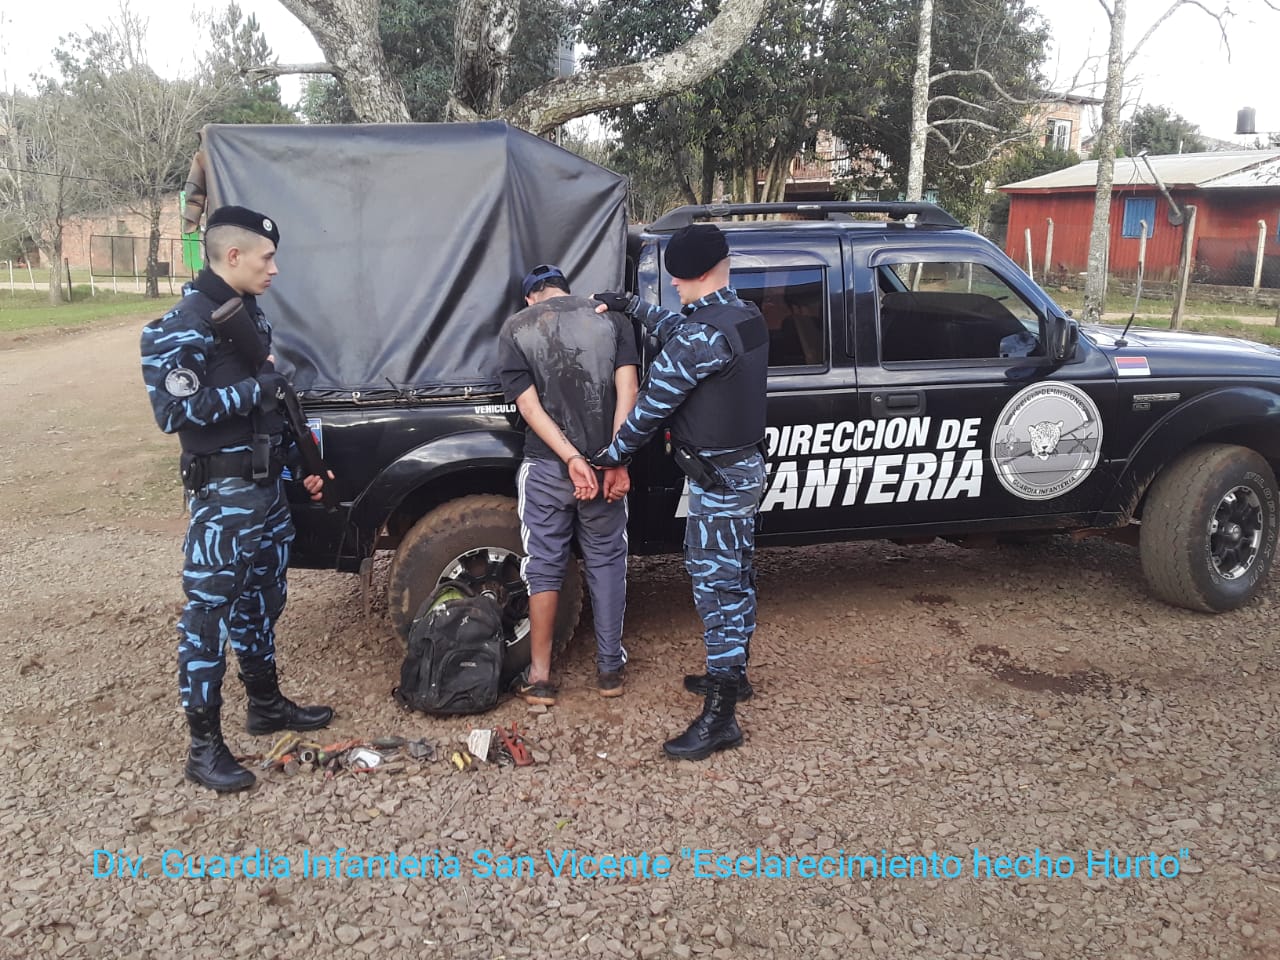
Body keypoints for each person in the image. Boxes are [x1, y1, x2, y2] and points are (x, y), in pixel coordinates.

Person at [140, 205, 334, 794]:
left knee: (262, 600)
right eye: (266, 257)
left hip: (266, 487)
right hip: (223, 497)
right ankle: (204, 748)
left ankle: (266, 705)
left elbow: (273, 409)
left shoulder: (247, 317)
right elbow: (175, 412)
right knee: (207, 618)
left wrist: (301, 464)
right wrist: (256, 388)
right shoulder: (178, 327)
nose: (274, 268)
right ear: (232, 257)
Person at [592, 223, 768, 761]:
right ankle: (734, 676)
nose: (671, 286)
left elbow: (650, 407)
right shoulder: (743, 315)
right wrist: (629, 306)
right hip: (742, 473)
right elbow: (680, 328)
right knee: (735, 573)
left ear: (681, 274)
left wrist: (610, 456)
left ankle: (721, 716)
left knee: (714, 588)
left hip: (717, 483)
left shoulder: (702, 336)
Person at [498, 263, 640, 705]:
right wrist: (614, 459)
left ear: (530, 298)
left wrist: (570, 458)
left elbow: (529, 407)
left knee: (543, 565)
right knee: (607, 561)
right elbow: (629, 388)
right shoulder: (610, 317)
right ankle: (610, 670)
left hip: (546, 469)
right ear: (564, 289)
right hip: (605, 467)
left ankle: (540, 678)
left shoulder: (516, 328)